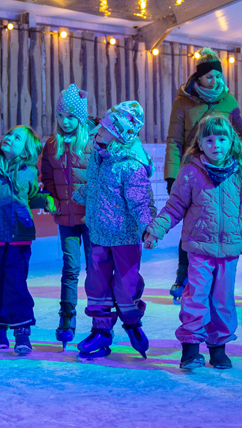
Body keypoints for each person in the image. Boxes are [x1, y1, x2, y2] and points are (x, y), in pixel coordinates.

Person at [145, 114, 242, 370]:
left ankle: (218, 348)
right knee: (196, 296)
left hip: (229, 250)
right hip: (199, 248)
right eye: (209, 139)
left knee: (223, 299)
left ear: (231, 142)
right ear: (201, 143)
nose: (215, 145)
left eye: (221, 139)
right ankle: (191, 348)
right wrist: (155, 231)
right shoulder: (191, 172)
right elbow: (174, 208)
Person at [164, 48, 242, 303]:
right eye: (210, 77)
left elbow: (241, 133)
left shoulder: (229, 102)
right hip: (191, 171)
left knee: (214, 221)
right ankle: (182, 275)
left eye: (219, 76)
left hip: (224, 171)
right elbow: (174, 140)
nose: (215, 81)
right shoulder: (183, 102)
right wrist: (172, 175)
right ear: (199, 78)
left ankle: (217, 281)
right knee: (192, 225)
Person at [73, 101, 155, 360]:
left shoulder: (131, 164)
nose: (99, 129)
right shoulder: (99, 153)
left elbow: (140, 201)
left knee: (125, 285)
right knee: (96, 283)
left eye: (106, 127)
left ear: (119, 134)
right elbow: (99, 187)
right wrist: (83, 194)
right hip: (98, 233)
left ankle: (132, 323)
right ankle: (101, 331)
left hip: (124, 237)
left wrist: (147, 228)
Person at [0, 126, 53, 355]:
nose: (9, 138)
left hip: (19, 238)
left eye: (17, 138)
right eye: (9, 133)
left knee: (15, 283)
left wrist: (47, 201)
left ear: (25, 151)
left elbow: (32, 196)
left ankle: (22, 330)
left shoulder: (29, 171)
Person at [40, 84, 94, 348]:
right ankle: (67, 317)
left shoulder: (94, 144)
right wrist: (50, 198)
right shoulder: (51, 145)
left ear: (81, 118)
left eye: (71, 116)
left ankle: (99, 319)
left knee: (96, 269)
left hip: (93, 220)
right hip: (67, 219)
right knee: (70, 269)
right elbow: (47, 179)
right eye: (61, 116)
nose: (65, 121)